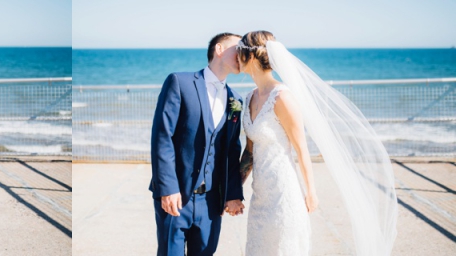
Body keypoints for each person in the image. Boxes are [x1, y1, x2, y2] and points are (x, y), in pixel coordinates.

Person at [237, 30, 398, 255]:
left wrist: (311, 192)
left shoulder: (282, 97)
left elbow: (302, 148)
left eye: (239, 50)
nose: (236, 55)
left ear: (251, 56)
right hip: (260, 197)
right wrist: (234, 190)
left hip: (284, 194)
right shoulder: (249, 97)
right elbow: (250, 151)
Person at [149, 32, 246, 256]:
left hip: (211, 202)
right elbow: (162, 138)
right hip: (176, 195)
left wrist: (233, 194)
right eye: (237, 48)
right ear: (219, 49)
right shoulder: (179, 82)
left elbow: (232, 150)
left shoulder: (236, 100)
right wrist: (168, 188)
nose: (243, 54)